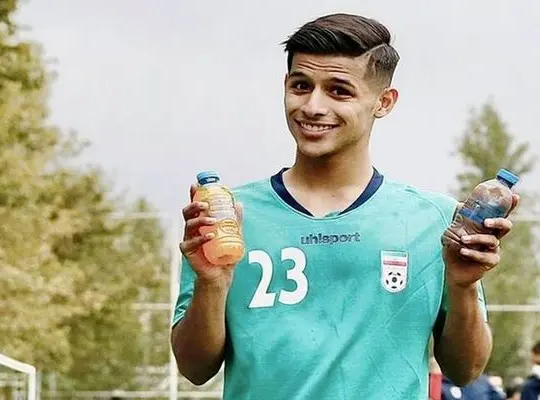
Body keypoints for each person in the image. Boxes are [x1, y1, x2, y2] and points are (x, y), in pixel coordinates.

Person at [171, 12, 519, 399]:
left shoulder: (435, 220)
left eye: (339, 91)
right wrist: (212, 283)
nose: (312, 106)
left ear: (384, 102)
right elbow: (195, 369)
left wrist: (463, 286)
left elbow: (466, 370)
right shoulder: (228, 216)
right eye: (301, 86)